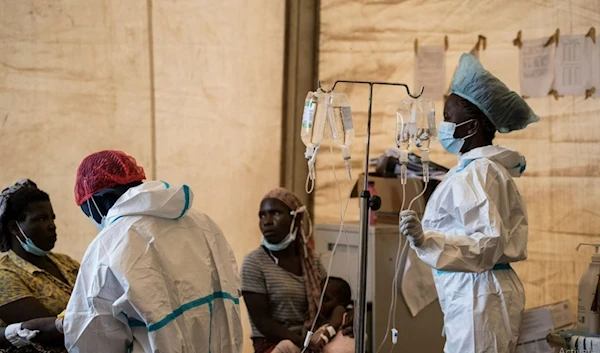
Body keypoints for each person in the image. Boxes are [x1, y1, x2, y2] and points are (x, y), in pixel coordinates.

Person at [400, 53, 539, 353]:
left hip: (478, 296)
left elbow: (487, 243)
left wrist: (427, 240)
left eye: (450, 118)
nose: (444, 125)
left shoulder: (478, 173)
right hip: (479, 295)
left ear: (472, 128)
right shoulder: (480, 170)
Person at [63, 150, 242, 353]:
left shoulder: (107, 247)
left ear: (102, 199)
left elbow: (92, 337)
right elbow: (233, 286)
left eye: (87, 209)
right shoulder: (203, 224)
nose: (92, 218)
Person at [242, 188, 351, 353]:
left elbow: (331, 298)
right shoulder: (254, 263)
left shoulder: (311, 261)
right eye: (262, 215)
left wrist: (350, 317)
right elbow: (263, 322)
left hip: (312, 337)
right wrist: (304, 343)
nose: (267, 221)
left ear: (296, 217)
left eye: (275, 213)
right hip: (275, 343)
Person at [0, 180, 79, 352]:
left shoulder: (66, 263)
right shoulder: (5, 274)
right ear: (14, 227)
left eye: (52, 218)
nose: (52, 225)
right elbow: (46, 332)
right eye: (41, 218)